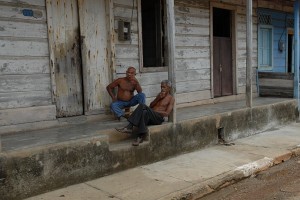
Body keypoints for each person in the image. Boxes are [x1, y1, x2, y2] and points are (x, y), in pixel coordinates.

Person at [116, 80, 175, 146]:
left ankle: (129, 127)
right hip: (151, 116)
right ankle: (139, 137)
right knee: (144, 112)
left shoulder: (171, 98)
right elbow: (151, 105)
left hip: (158, 118)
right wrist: (158, 98)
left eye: (164, 87)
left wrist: (152, 111)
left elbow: (166, 113)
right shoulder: (160, 95)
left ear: (169, 88)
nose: (162, 89)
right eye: (161, 87)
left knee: (142, 106)